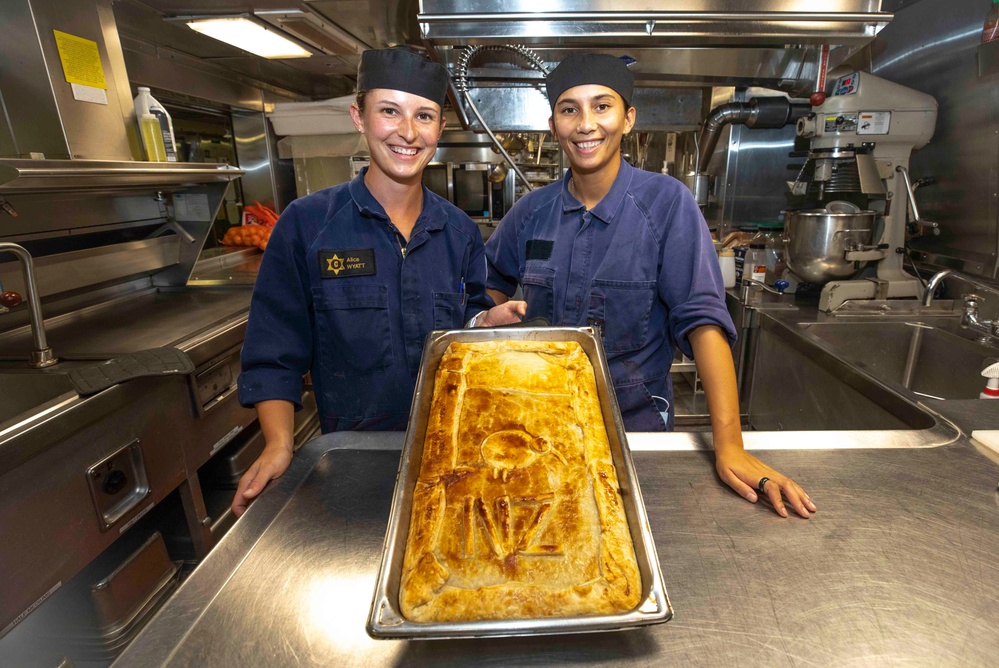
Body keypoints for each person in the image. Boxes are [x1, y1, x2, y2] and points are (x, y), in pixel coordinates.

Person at [485, 53, 816, 519]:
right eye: (569, 109)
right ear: (554, 124)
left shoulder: (667, 204)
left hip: (634, 431)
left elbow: (703, 320)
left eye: (602, 107)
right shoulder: (531, 211)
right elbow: (489, 284)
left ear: (628, 118)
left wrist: (730, 445)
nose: (586, 124)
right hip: (540, 428)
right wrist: (490, 321)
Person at [232, 48, 525, 517]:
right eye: (389, 111)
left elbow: (464, 325)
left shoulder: (459, 232)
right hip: (353, 457)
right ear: (359, 116)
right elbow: (274, 349)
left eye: (424, 115)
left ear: (439, 129)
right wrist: (278, 444)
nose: (407, 132)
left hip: (450, 453)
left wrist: (485, 320)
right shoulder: (307, 225)